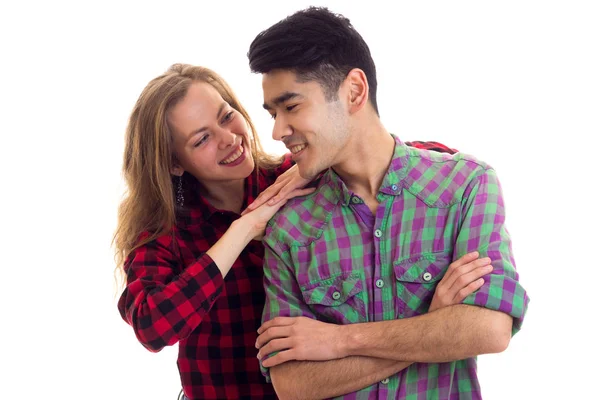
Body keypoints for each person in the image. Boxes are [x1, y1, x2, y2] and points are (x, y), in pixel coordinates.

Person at [113, 63, 472, 400]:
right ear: (175, 162)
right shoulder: (164, 236)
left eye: (227, 117)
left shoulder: (295, 179)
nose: (229, 139)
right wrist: (243, 229)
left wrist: (307, 169)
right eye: (202, 139)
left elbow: (407, 160)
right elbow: (154, 326)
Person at [248, 7, 530, 400]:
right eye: (273, 113)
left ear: (354, 91)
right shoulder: (290, 229)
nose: (278, 130)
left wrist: (341, 341)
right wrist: (432, 326)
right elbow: (293, 384)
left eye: (291, 107)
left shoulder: (465, 186)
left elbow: (489, 328)